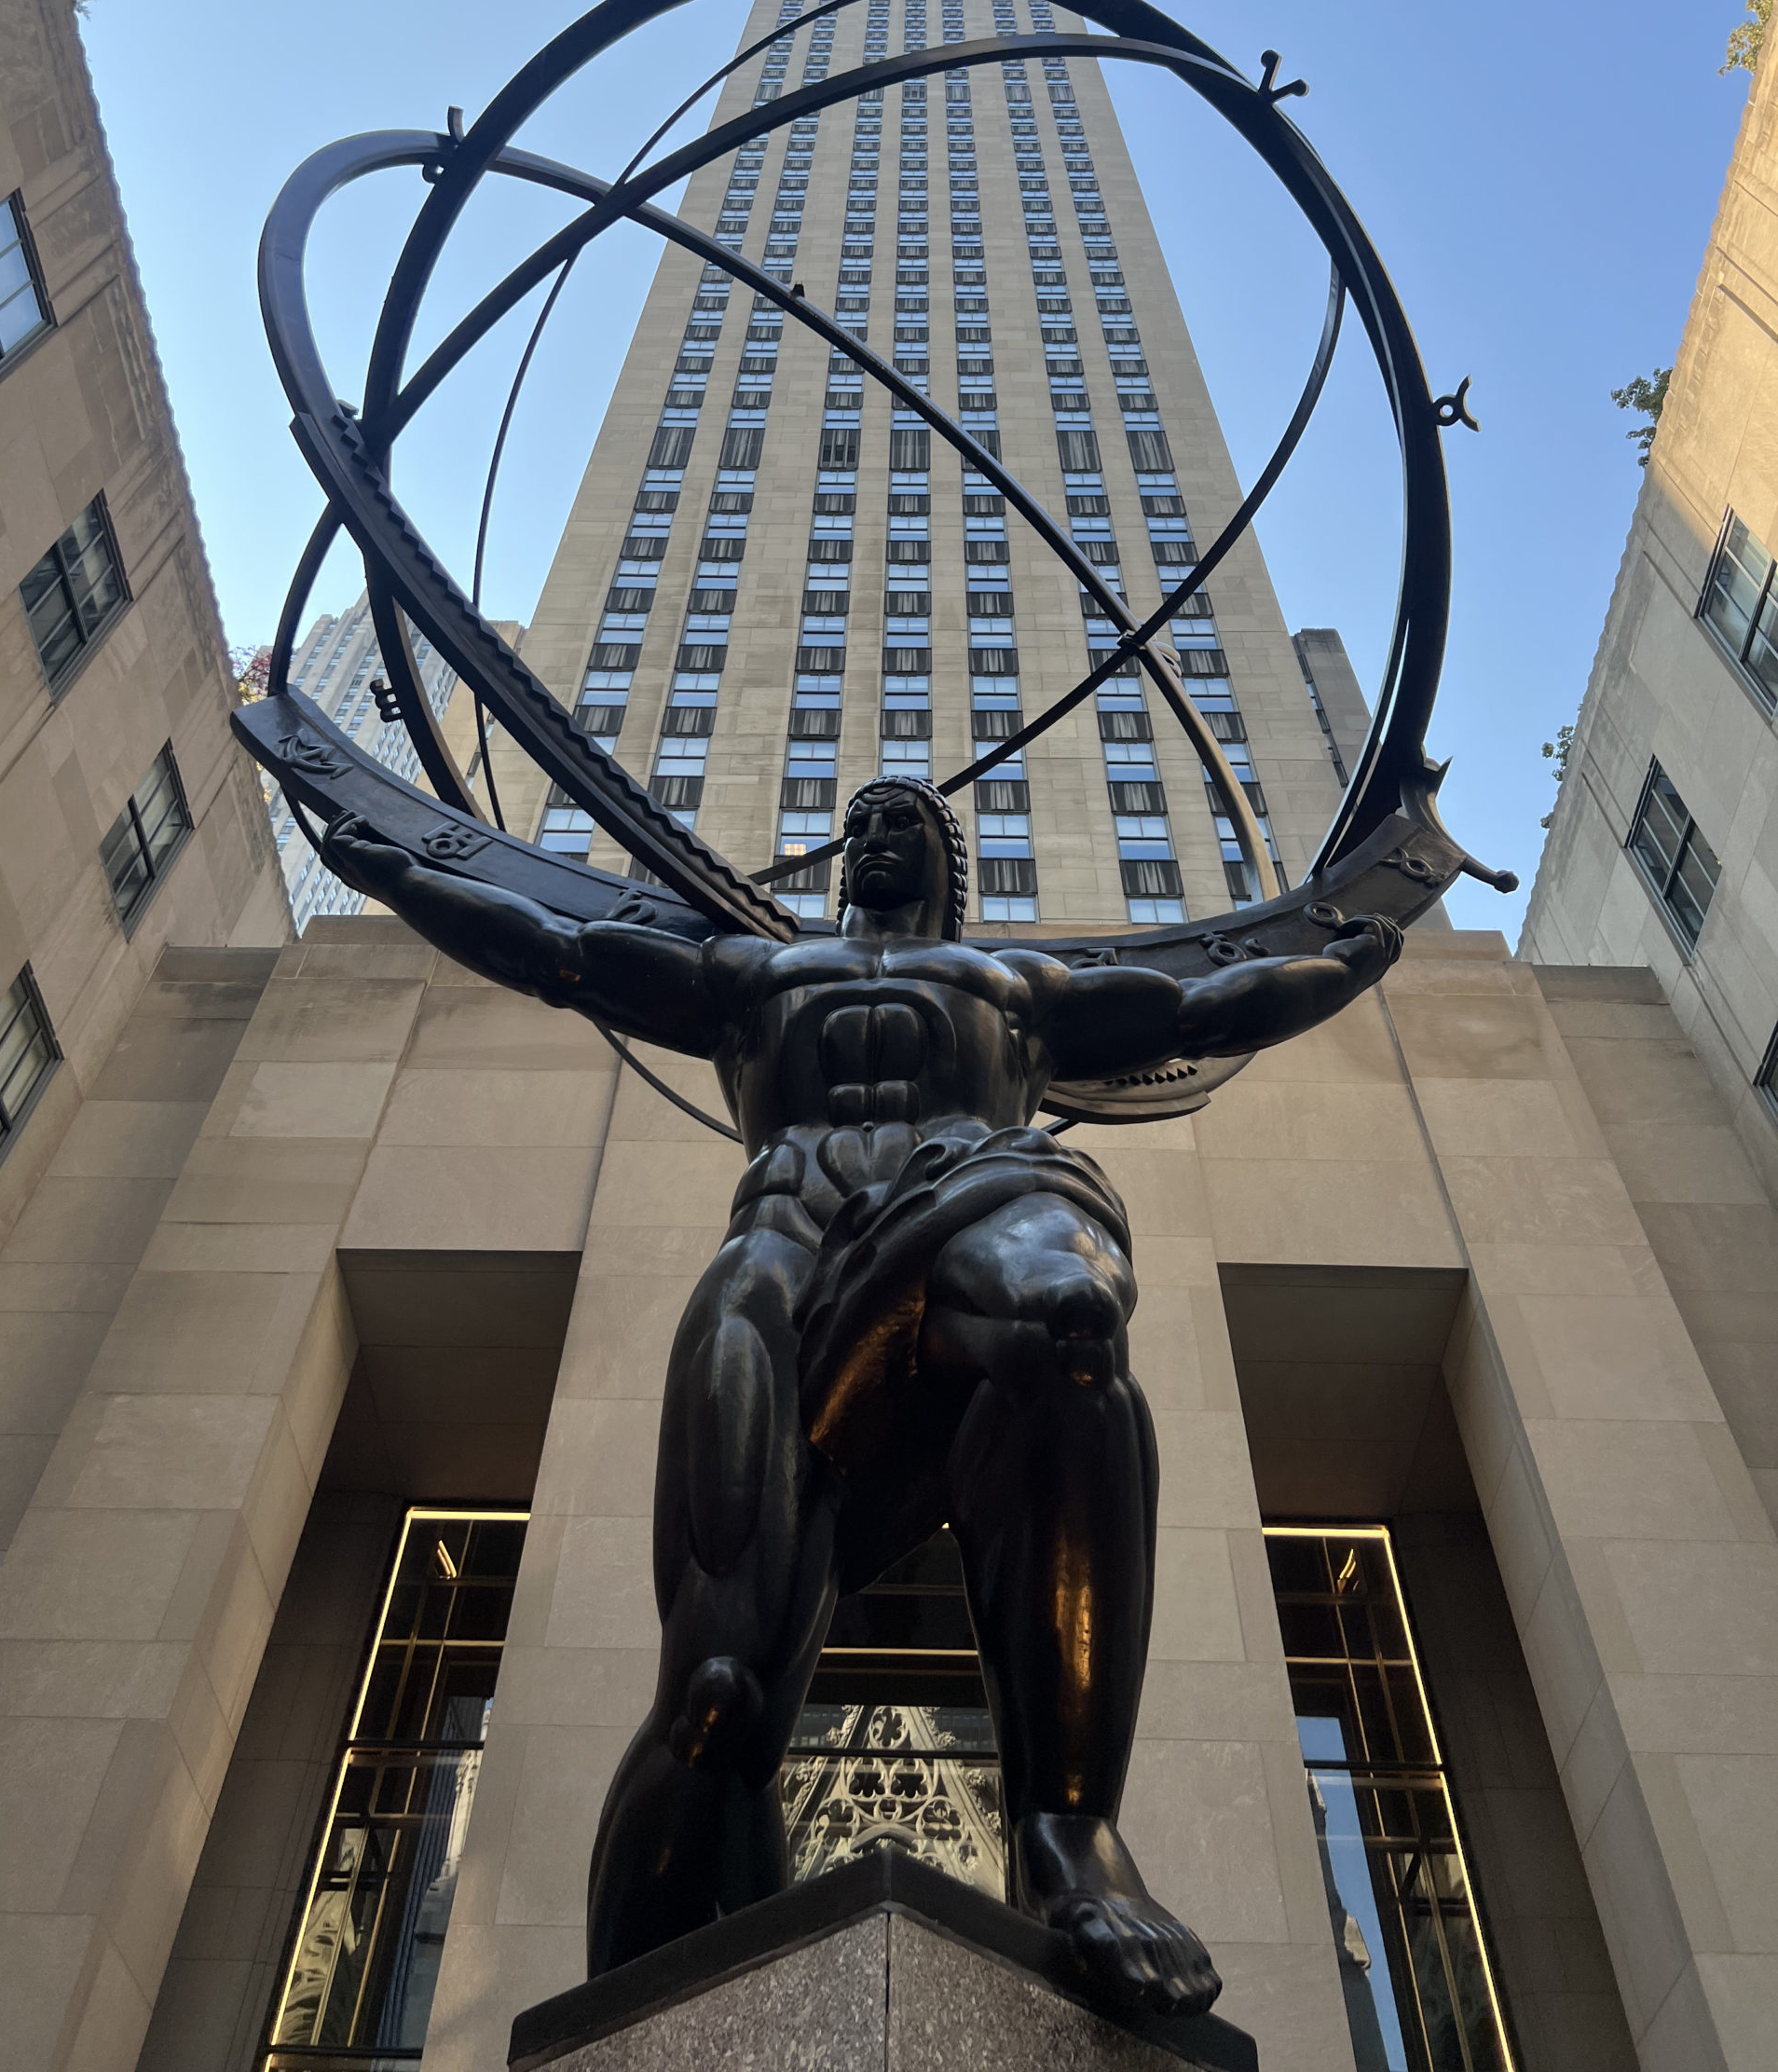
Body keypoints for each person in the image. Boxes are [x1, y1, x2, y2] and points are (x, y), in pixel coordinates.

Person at [319, 776, 1401, 2017]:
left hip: (974, 1203)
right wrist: (400, 877)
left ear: (953, 863)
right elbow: (564, 953)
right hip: (785, 1252)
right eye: (865, 822)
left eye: (908, 823)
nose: (878, 835)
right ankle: (633, 1997)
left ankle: (1069, 1835)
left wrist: (1347, 963)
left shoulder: (1016, 989)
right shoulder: (753, 974)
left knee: (1073, 1321)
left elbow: (1204, 1002)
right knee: (719, 1689)